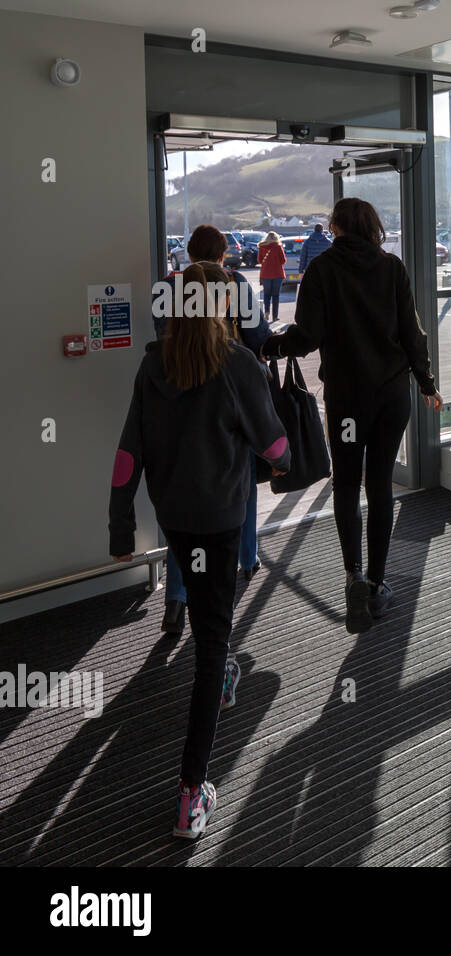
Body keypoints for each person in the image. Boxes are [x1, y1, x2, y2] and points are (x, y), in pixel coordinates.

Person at [109, 262, 290, 839]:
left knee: (208, 618)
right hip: (220, 519)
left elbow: (126, 455)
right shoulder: (235, 364)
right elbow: (277, 446)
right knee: (211, 638)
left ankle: (226, 670)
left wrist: (119, 530)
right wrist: (278, 452)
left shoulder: (152, 363)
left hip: (177, 521)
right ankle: (191, 794)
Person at [263, 198, 441, 634]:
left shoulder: (322, 270)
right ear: (372, 226)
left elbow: (307, 337)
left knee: (346, 483)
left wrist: (270, 347)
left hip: (347, 401)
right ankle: (378, 583)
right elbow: (411, 334)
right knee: (379, 484)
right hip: (391, 397)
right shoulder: (391, 268)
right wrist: (427, 384)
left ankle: (353, 578)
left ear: (336, 228)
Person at [156, 226, 273, 636]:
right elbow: (258, 336)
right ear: (225, 254)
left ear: (188, 253)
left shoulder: (168, 286)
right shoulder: (235, 284)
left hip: (177, 402)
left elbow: (161, 341)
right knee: (239, 480)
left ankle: (176, 598)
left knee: (184, 499)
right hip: (228, 402)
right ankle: (246, 557)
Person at [257, 231, 286, 320]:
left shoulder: (262, 247)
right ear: (276, 238)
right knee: (275, 296)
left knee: (266, 295)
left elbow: (259, 261)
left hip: (266, 274)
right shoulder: (278, 247)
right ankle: (275, 316)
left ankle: (266, 312)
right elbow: (283, 261)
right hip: (277, 274)